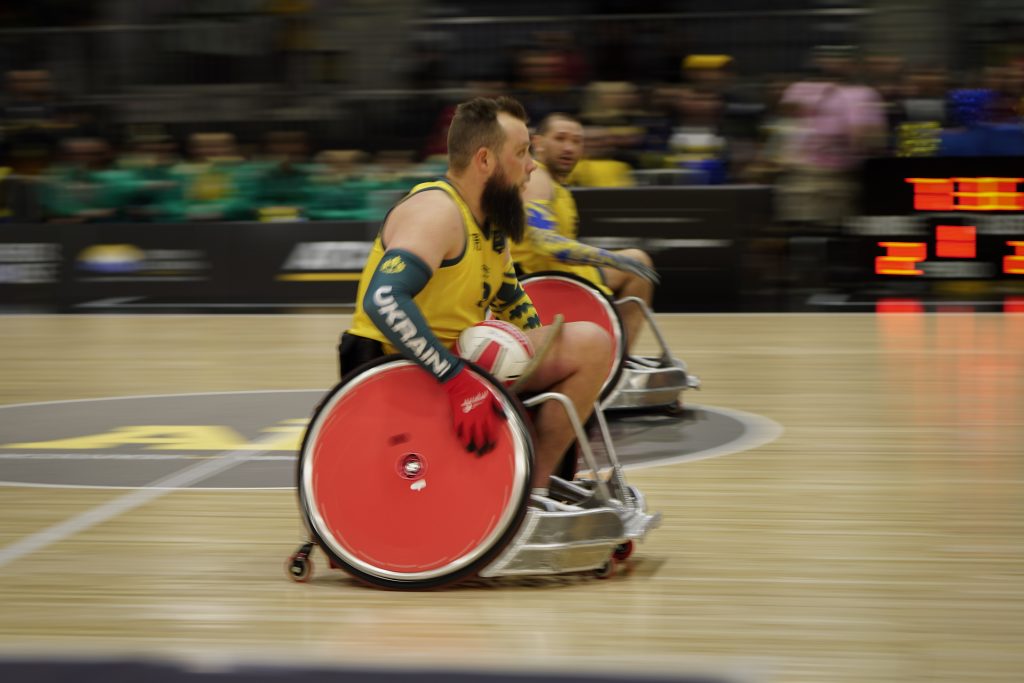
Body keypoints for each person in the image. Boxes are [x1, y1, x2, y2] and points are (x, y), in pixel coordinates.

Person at [341, 96, 611, 500]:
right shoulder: (437, 211)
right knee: (590, 343)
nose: (533, 166)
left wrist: (543, 360)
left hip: (458, 358)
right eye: (522, 153)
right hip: (401, 365)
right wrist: (455, 379)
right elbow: (384, 299)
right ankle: (531, 495)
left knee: (585, 346)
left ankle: (535, 484)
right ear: (484, 160)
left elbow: (514, 302)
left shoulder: (488, 224)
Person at [511, 112, 659, 352]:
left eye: (576, 141)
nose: (569, 147)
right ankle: (618, 361)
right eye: (560, 138)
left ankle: (612, 352)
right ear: (537, 143)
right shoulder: (536, 178)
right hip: (543, 284)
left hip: (556, 276)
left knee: (635, 262)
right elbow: (544, 243)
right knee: (637, 265)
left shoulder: (551, 182)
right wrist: (610, 258)